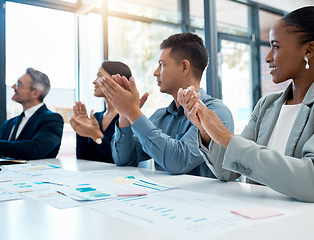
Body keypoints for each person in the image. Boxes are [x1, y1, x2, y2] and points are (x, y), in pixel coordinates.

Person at [178, 2, 314, 202]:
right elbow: (227, 171)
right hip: (269, 219)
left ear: (309, 51)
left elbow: (313, 180)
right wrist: (206, 129)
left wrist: (225, 137)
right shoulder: (267, 105)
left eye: (275, 46)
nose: (267, 57)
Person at [99, 32, 234, 177]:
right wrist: (124, 114)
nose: (155, 73)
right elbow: (124, 160)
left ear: (184, 67)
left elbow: (178, 162)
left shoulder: (217, 112)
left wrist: (133, 112)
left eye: (162, 65)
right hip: (164, 197)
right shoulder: (159, 116)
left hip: (205, 199)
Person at [0, 68, 64, 160]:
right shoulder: (8, 124)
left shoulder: (52, 119)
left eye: (19, 84)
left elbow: (36, 149)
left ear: (35, 93)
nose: (13, 87)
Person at [70, 61, 132, 163]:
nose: (94, 81)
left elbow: (120, 161)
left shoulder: (127, 119)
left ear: (116, 80)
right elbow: (82, 159)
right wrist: (81, 131)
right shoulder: (96, 117)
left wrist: (97, 136)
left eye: (99, 76)